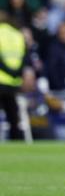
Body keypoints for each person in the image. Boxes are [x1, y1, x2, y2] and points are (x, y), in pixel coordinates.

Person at [0, 11, 27, 140]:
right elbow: (23, 56)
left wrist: (7, 71)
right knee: (13, 118)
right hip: (13, 82)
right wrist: (15, 73)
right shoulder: (18, 34)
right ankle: (16, 141)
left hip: (1, 79)